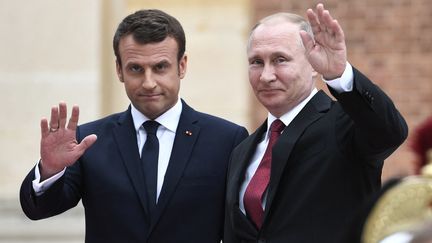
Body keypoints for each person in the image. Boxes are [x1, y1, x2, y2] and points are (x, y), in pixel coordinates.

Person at [20, 9, 248, 243]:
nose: (149, 83)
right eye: (136, 69)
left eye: (160, 67)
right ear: (119, 70)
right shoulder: (88, 140)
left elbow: (243, 227)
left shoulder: (227, 140)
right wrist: (50, 170)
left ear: (182, 66)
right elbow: (39, 209)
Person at [224, 3, 408, 243]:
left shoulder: (344, 124)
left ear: (313, 64)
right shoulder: (242, 151)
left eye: (280, 60)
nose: (266, 76)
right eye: (256, 62)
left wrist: (339, 74)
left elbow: (390, 132)